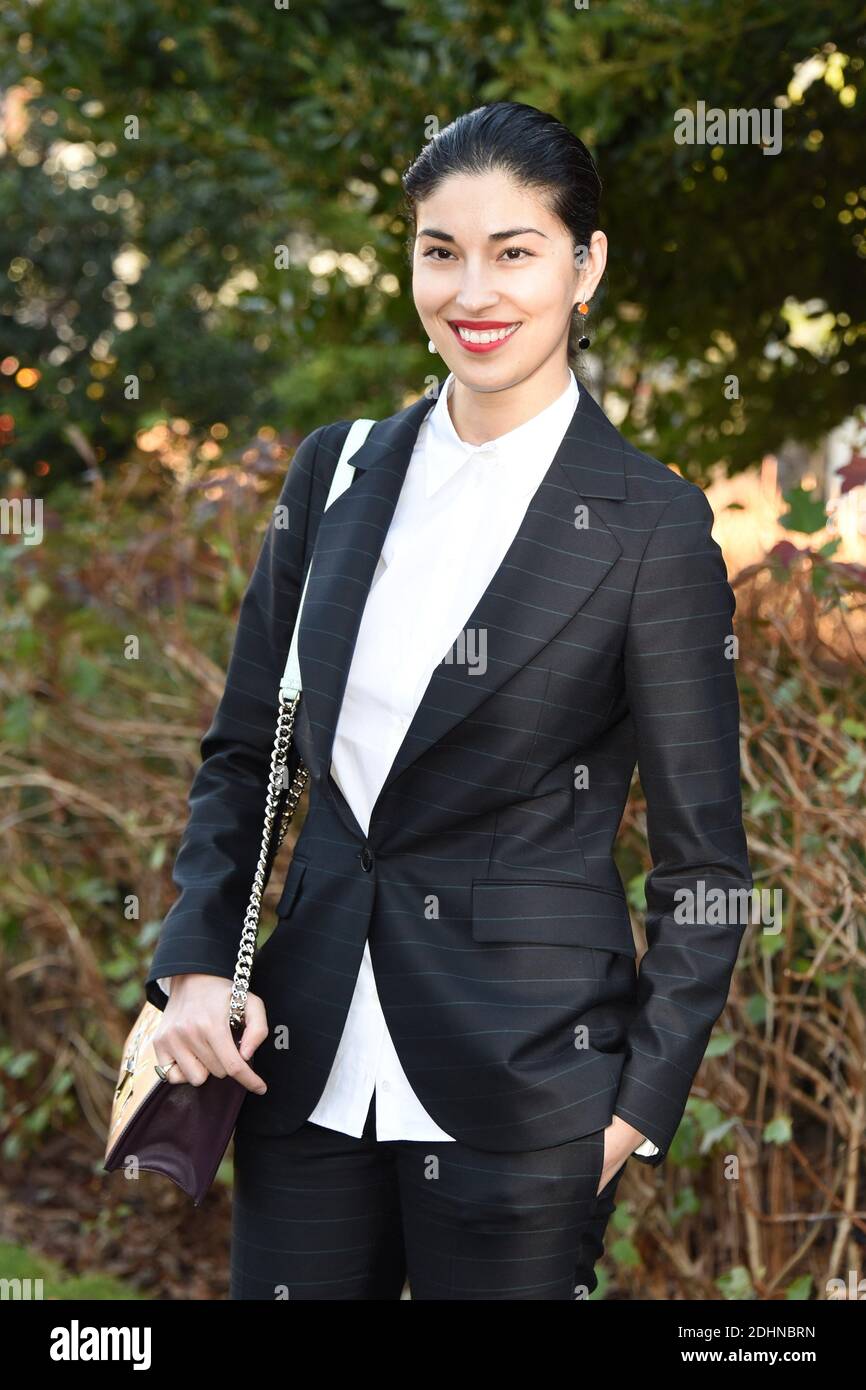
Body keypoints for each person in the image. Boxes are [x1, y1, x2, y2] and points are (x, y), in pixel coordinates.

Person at [145, 101, 752, 1300]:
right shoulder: (336, 470)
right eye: (439, 250)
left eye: (514, 250)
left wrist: (630, 1113)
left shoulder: (651, 526)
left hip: (527, 1094)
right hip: (300, 1064)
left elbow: (704, 867)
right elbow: (243, 754)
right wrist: (198, 961)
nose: (471, 291)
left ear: (587, 265)